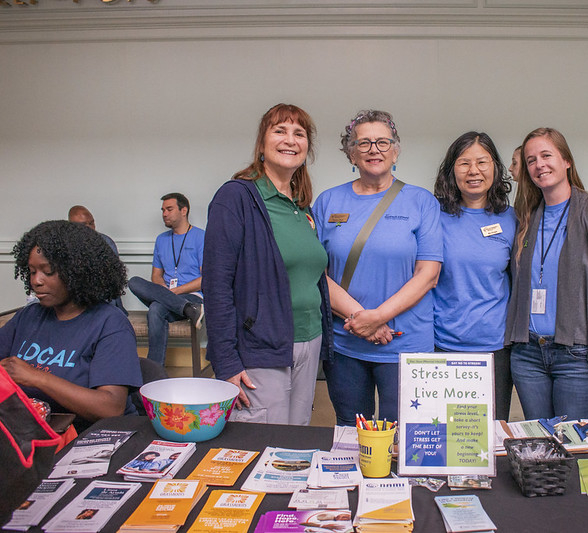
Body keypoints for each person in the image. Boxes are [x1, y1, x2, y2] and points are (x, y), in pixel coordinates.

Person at [204, 104, 332, 426]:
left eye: (299, 134)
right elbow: (217, 285)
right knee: (264, 443)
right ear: (262, 144)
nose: (290, 140)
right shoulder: (236, 198)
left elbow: (313, 278)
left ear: (307, 148)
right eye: (280, 131)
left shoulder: (302, 208)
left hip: (309, 340)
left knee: (296, 439)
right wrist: (226, 362)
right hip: (261, 347)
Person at [314, 109, 443, 426]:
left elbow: (428, 275)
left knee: (405, 433)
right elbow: (316, 272)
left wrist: (379, 317)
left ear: (396, 149)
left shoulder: (421, 202)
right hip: (345, 342)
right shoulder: (327, 202)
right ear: (351, 153)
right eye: (364, 143)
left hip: (406, 343)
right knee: (350, 427)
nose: (374, 149)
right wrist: (362, 319)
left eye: (383, 142)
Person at [505, 127, 588, 420]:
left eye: (547, 156)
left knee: (575, 444)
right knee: (542, 443)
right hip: (528, 354)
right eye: (531, 160)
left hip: (577, 354)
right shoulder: (526, 216)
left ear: (567, 161)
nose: (539, 165)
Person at [0, 220, 142, 432]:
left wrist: (36, 377)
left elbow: (110, 407)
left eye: (47, 271)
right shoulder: (28, 316)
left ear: (77, 272)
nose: (36, 281)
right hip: (31, 433)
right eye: (31, 271)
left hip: (90, 437)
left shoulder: (110, 324)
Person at [432, 131, 516, 421]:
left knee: (486, 434)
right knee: (443, 432)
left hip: (495, 346)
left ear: (495, 167)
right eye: (464, 163)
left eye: (482, 162)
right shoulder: (433, 217)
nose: (474, 171)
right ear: (451, 170)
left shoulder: (513, 219)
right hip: (442, 342)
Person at [128, 193, 205, 366]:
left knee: (156, 308)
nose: (164, 214)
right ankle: (188, 310)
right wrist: (164, 290)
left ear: (183, 210)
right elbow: (156, 275)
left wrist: (172, 292)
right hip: (172, 297)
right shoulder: (161, 240)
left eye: (169, 209)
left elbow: (205, 279)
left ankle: (154, 371)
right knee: (133, 281)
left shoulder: (201, 237)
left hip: (193, 296)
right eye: (163, 210)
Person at [68, 205, 127, 315]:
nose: (90, 228)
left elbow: (114, 279)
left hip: (103, 296)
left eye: (91, 223)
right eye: (83, 225)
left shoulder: (106, 243)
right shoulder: (64, 246)